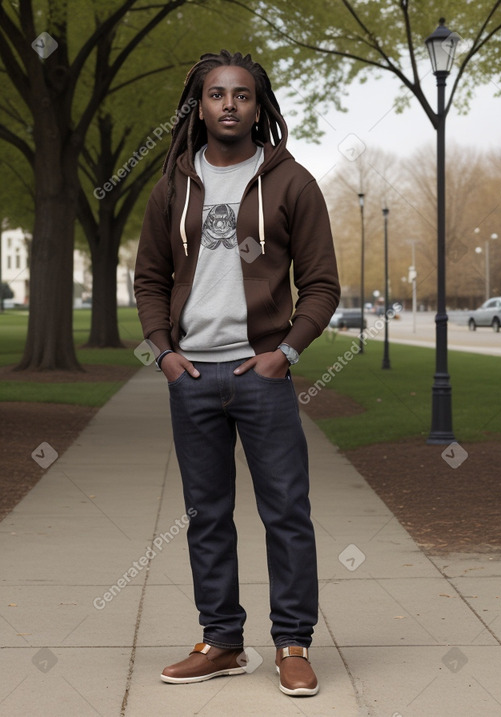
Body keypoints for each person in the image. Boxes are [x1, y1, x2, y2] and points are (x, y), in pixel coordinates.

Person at [134, 49, 340, 697]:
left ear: (259, 106)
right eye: (217, 93)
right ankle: (222, 641)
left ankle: (293, 642)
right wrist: (165, 351)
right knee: (207, 514)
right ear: (199, 105)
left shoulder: (291, 182)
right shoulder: (171, 184)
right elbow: (148, 278)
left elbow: (322, 284)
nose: (229, 104)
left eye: (242, 94)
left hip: (263, 374)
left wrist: (289, 352)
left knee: (286, 510)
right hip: (192, 376)